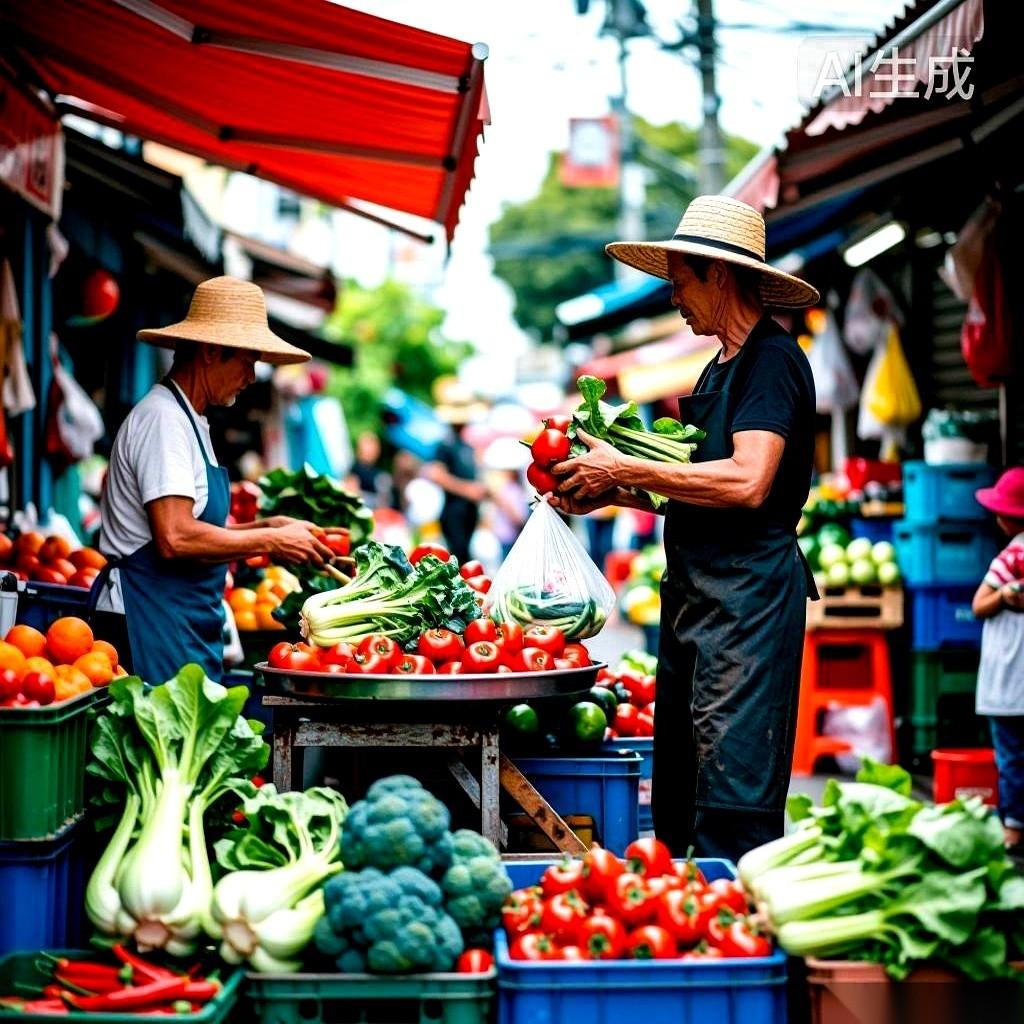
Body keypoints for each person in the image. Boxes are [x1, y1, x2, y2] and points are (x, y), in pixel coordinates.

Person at [550, 195, 820, 861]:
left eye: (680, 282)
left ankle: (736, 914)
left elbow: (748, 481)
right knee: (681, 781)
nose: (673, 298)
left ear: (718, 276)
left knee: (732, 791)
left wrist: (625, 466)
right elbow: (701, 491)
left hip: (747, 605)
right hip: (696, 599)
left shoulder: (772, 361)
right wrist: (616, 490)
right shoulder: (717, 364)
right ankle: (686, 907)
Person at [95, 276, 333, 685]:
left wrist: (267, 527)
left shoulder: (190, 421)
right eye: (248, 361)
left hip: (177, 621)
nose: (252, 376)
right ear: (209, 351)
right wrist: (270, 540)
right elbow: (175, 538)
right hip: (147, 618)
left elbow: (193, 532)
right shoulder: (164, 420)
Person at [971, 467, 1024, 855]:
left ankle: (1014, 830)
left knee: (1011, 757)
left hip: (1009, 678)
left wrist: (1002, 596)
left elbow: (978, 605)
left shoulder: (1012, 556)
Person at [426, 412, 487, 565]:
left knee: (466, 554)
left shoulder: (467, 447)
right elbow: (436, 474)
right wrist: (467, 490)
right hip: (454, 511)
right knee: (458, 556)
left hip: (469, 511)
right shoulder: (445, 445)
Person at [347, 431, 391, 509]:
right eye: (367, 446)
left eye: (373, 447)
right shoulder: (354, 471)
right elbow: (351, 493)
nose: (370, 450)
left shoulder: (380, 473)